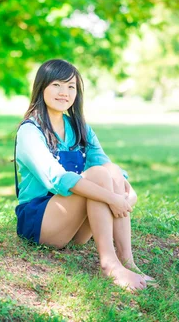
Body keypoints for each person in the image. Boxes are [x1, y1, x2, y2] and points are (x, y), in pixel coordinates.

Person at [14, 59, 154, 291]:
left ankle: (128, 261)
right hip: (41, 222)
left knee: (110, 171)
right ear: (42, 88)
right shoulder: (30, 131)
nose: (64, 92)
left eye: (71, 87)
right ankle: (109, 264)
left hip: (74, 229)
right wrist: (111, 198)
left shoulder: (80, 127)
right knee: (99, 176)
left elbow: (106, 165)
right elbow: (57, 179)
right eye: (57, 85)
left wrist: (128, 191)